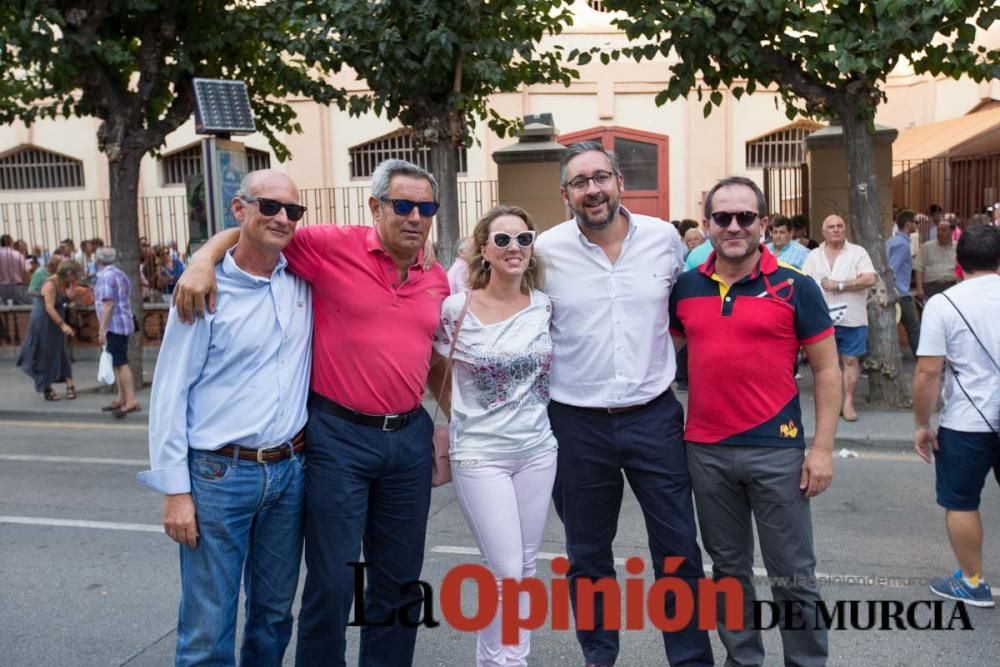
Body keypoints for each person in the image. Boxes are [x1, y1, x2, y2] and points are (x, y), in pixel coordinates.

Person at [173, 159, 450, 667]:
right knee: (332, 578)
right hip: (338, 437)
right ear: (376, 207)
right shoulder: (328, 245)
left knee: (398, 580)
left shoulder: (436, 276)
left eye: (425, 208)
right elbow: (258, 228)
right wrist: (202, 258)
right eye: (403, 205)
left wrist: (455, 423)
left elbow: (431, 355)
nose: (415, 217)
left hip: (408, 438)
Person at [536, 141, 713, 667]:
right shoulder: (544, 250)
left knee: (679, 549)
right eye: (580, 182)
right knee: (588, 556)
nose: (592, 190)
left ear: (618, 182)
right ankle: (599, 655)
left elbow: (679, 318)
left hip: (653, 417)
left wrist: (653, 357)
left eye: (601, 178)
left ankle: (689, 659)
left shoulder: (663, 240)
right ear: (565, 193)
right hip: (575, 423)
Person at [138, 170, 313, 665]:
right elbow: (170, 393)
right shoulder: (202, 290)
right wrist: (175, 492)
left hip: (289, 471)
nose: (281, 218)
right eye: (269, 207)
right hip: (218, 475)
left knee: (275, 615)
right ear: (239, 209)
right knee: (207, 625)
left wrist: (203, 252)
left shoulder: (302, 278)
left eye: (292, 211)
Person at [670, 176, 841, 667]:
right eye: (722, 217)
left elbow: (828, 369)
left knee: (793, 574)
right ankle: (742, 660)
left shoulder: (795, 285)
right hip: (704, 450)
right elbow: (660, 356)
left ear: (763, 224)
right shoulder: (686, 287)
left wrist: (823, 449)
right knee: (727, 572)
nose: (734, 226)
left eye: (745, 216)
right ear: (707, 226)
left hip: (778, 450)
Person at [434, 205, 557, 666]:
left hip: (539, 451)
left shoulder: (543, 305)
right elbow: (434, 366)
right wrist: (461, 414)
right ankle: (500, 662)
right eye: (502, 240)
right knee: (504, 571)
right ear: (483, 249)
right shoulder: (456, 308)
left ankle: (510, 659)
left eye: (523, 240)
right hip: (480, 457)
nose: (514, 249)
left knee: (524, 570)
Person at [913, 224, 1000, 609]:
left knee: (962, 501)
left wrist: (921, 424)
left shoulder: (943, 304)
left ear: (959, 263)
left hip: (967, 422)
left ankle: (973, 581)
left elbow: (929, 372)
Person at [802, 215, 876, 422]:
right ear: (823, 232)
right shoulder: (813, 256)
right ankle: (831, 403)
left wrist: (840, 285)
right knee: (826, 364)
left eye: (839, 226)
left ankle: (848, 402)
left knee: (850, 360)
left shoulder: (858, 252)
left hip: (852, 317)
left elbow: (870, 278)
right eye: (831, 227)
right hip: (821, 320)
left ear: (845, 229)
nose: (836, 229)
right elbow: (803, 282)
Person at [16, 260, 81, 401]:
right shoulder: (50, 283)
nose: (76, 278)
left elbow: (69, 297)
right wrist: (63, 325)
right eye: (75, 276)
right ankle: (46, 388)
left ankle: (70, 385)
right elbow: (49, 307)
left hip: (55, 322)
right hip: (44, 321)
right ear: (68, 273)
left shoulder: (64, 283)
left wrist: (73, 287)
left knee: (62, 352)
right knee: (44, 353)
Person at [93, 247, 140, 418]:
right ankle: (122, 398)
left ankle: (131, 400)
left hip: (114, 325)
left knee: (120, 363)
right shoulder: (120, 274)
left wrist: (102, 329)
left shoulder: (105, 277)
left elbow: (108, 304)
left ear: (98, 260)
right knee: (116, 362)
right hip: (123, 322)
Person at [885, 209, 921, 357]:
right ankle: (922, 358)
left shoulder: (891, 241)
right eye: (916, 222)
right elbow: (891, 269)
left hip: (893, 291)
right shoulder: (902, 244)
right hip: (899, 293)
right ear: (908, 224)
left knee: (890, 328)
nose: (917, 225)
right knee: (913, 327)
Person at [915, 216, 958, 300]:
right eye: (938, 230)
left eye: (943, 230)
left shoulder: (957, 247)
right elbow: (918, 268)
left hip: (951, 286)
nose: (939, 232)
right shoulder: (927, 247)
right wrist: (919, 289)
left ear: (951, 231)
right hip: (931, 287)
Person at [1, 233, 31, 304]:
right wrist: (26, 284)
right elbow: (26, 271)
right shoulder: (16, 254)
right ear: (11, 243)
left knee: (5, 310)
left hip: (2, 287)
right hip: (17, 286)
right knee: (29, 306)